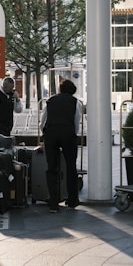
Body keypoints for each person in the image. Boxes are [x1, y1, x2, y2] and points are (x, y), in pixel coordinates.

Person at [40, 79, 82, 213]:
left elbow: (43, 120)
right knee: (71, 166)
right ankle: (72, 200)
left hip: (51, 133)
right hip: (68, 133)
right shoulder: (76, 102)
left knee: (52, 167)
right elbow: (77, 120)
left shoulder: (50, 101)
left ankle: (53, 201)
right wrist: (71, 133)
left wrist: (45, 133)